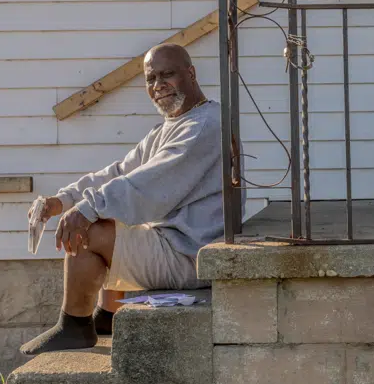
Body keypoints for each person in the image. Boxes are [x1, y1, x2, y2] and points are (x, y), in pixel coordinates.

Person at [19, 43, 224, 354]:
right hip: (174, 242)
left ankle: (75, 327)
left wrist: (85, 210)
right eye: (151, 79)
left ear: (191, 74)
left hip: (192, 255)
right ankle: (107, 317)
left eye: (167, 75)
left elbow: (148, 186)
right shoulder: (171, 126)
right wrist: (61, 201)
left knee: (90, 229)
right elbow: (119, 172)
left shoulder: (204, 125)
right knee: (104, 213)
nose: (158, 86)